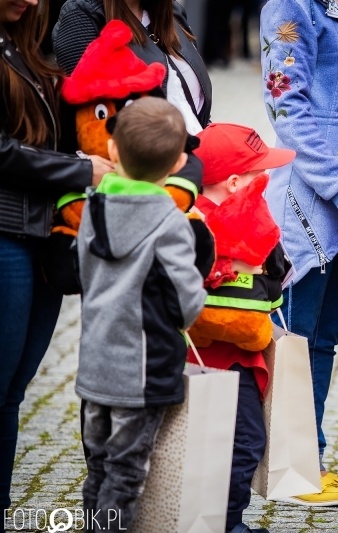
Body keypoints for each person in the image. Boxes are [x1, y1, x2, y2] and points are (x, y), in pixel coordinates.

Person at [260, 0, 338, 505]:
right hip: (310, 198)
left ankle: (307, 460)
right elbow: (286, 108)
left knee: (323, 342)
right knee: (294, 340)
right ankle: (289, 466)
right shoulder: (292, 7)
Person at [0, 0, 112, 516]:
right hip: (6, 233)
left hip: (41, 234)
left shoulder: (29, 49)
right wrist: (78, 170)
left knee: (14, 389)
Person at [76, 98, 206, 532]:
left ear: (112, 150)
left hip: (96, 364)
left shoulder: (92, 207)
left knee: (98, 465)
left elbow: (83, 271)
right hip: (144, 370)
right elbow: (186, 302)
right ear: (180, 162)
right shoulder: (170, 223)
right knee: (127, 471)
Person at [190, 123, 295, 533]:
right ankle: (224, 523)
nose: (266, 179)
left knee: (239, 441)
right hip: (208, 359)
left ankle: (223, 520)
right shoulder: (194, 222)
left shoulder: (251, 218)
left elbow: (275, 284)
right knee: (241, 442)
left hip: (239, 356)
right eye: (259, 173)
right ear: (234, 182)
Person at [52, 0, 211, 190]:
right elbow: (87, 116)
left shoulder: (172, 10)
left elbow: (191, 101)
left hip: (192, 162)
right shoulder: (82, 14)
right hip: (143, 177)